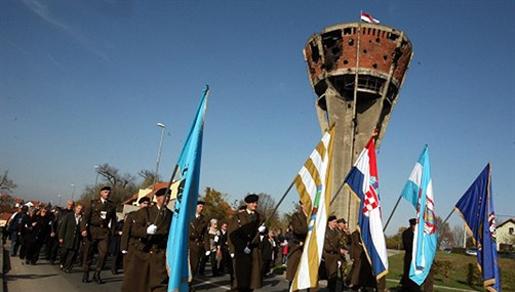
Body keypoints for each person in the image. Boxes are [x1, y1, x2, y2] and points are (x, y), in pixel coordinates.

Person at [121, 187, 172, 292]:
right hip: (143, 252)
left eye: (168, 196)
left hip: (159, 253)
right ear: (157, 198)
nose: (166, 198)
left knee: (159, 282)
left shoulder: (171, 215)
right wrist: (146, 231)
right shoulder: (146, 211)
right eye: (164, 196)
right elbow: (134, 230)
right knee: (138, 283)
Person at [228, 193, 265, 292]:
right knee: (242, 280)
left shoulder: (260, 217)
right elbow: (232, 234)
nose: (255, 205)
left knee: (253, 279)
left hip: (254, 250)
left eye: (256, 203)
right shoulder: (239, 217)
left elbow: (264, 231)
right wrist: (233, 250)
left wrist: (264, 230)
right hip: (242, 251)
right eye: (252, 203)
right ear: (247, 203)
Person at [80, 186, 117, 284]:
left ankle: (97, 274)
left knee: (103, 254)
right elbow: (85, 218)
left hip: (104, 232)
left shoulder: (111, 205)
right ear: (101, 193)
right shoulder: (93, 203)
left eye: (109, 192)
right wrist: (83, 229)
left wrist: (112, 232)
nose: (107, 194)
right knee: (88, 253)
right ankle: (86, 273)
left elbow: (114, 220)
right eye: (105, 192)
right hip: (92, 230)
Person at [401, 218, 433, 292]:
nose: (415, 227)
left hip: (418, 259)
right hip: (409, 258)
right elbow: (407, 246)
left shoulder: (420, 233)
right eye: (414, 225)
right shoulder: (406, 233)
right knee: (407, 275)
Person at [120, 196, 150, 270]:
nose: (146, 205)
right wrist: (124, 247)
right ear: (140, 204)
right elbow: (126, 231)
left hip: (145, 245)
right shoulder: (132, 215)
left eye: (148, 204)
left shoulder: (151, 216)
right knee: (130, 267)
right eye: (144, 203)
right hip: (133, 244)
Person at [285, 201, 308, 286]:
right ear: (301, 205)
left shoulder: (313, 216)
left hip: (309, 248)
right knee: (294, 275)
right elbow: (298, 230)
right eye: (306, 203)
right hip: (298, 248)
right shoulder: (296, 216)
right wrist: (310, 227)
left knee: (310, 277)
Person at [58, 204, 83, 272]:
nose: (79, 210)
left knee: (71, 254)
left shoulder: (81, 218)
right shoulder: (69, 216)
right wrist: (61, 237)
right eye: (78, 208)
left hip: (75, 239)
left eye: (80, 209)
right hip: (67, 238)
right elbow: (63, 226)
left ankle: (67, 267)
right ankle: (62, 263)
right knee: (64, 252)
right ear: (75, 208)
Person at [189, 200, 208, 278]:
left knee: (194, 265)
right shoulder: (189, 217)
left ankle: (190, 285)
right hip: (188, 243)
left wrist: (207, 248)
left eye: (202, 207)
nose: (202, 208)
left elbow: (205, 234)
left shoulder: (204, 219)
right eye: (200, 206)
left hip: (197, 244)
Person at [323, 215, 341, 292]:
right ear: (329, 222)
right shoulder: (325, 232)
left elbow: (340, 244)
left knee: (333, 277)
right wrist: (338, 249)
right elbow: (326, 246)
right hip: (327, 256)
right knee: (327, 275)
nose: (335, 223)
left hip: (335, 256)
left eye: (336, 222)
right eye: (334, 222)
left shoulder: (337, 232)